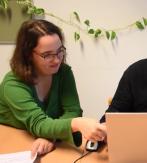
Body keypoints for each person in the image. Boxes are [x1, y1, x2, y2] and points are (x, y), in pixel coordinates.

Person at [0, 19, 106, 158]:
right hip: (13, 139)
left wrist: (51, 137)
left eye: (59, 51)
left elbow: (73, 110)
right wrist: (76, 123)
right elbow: (39, 123)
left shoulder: (63, 72)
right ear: (28, 55)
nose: (57, 60)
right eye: (47, 55)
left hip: (41, 140)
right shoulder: (13, 83)